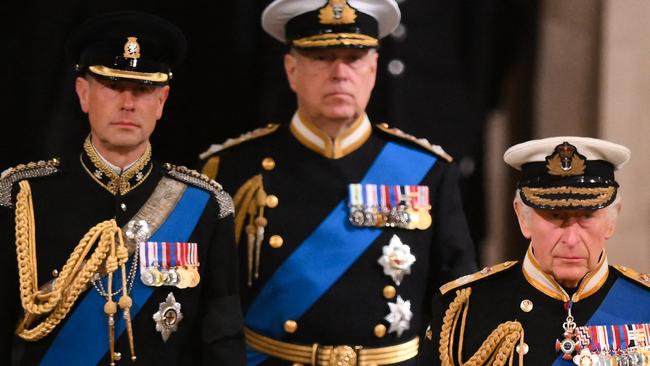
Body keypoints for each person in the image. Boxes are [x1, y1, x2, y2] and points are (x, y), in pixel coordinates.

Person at [198, 0, 477, 364]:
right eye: (322, 57)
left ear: (374, 69)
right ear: (291, 69)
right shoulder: (232, 169)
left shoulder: (426, 171)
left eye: (355, 57)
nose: (340, 72)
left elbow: (458, 302)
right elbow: (212, 305)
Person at [0, 10, 245, 365]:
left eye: (143, 89)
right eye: (113, 86)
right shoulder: (21, 197)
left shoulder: (205, 205)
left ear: (161, 101)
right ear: (83, 93)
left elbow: (221, 342)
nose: (128, 103)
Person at [429, 136, 650, 365]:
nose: (571, 239)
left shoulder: (644, 306)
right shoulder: (464, 311)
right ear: (522, 218)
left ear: (611, 221)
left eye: (587, 216)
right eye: (555, 216)